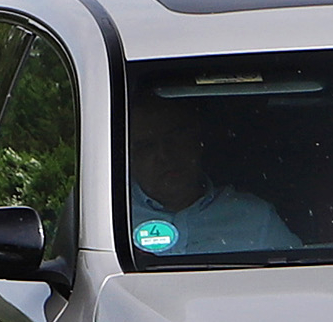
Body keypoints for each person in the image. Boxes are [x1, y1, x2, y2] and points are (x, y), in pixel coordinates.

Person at [126, 91, 298, 255]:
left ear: (197, 141)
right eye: (146, 146)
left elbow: (297, 277)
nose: (164, 155)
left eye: (174, 139)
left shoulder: (255, 218)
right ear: (128, 159)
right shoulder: (111, 220)